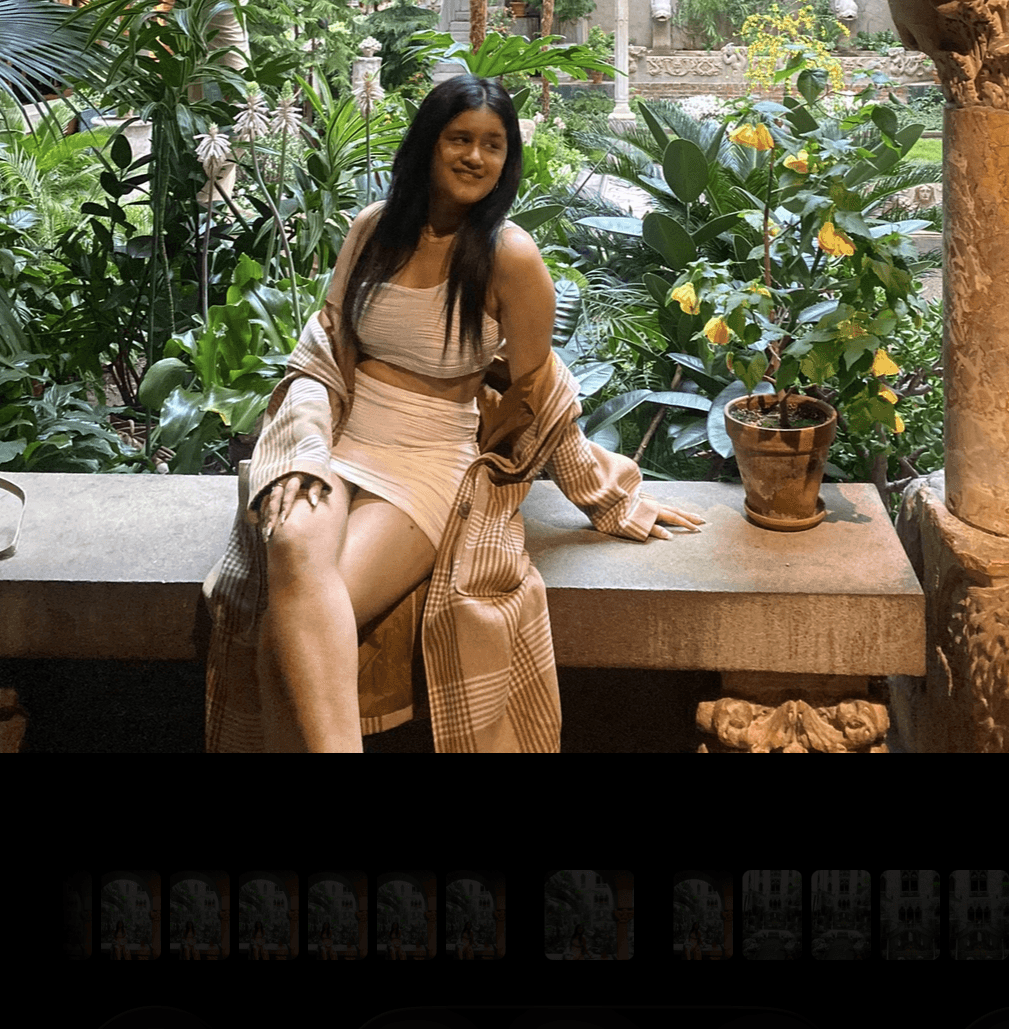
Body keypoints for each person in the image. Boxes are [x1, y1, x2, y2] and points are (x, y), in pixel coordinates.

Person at [208, 75, 705, 754]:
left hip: (428, 461)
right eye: (460, 139)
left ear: (507, 159)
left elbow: (540, 392)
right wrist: (302, 445)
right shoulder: (372, 229)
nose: (475, 156)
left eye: (492, 145)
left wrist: (604, 496)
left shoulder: (509, 256)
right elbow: (326, 345)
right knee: (293, 545)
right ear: (428, 145)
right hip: (343, 439)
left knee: (288, 629)